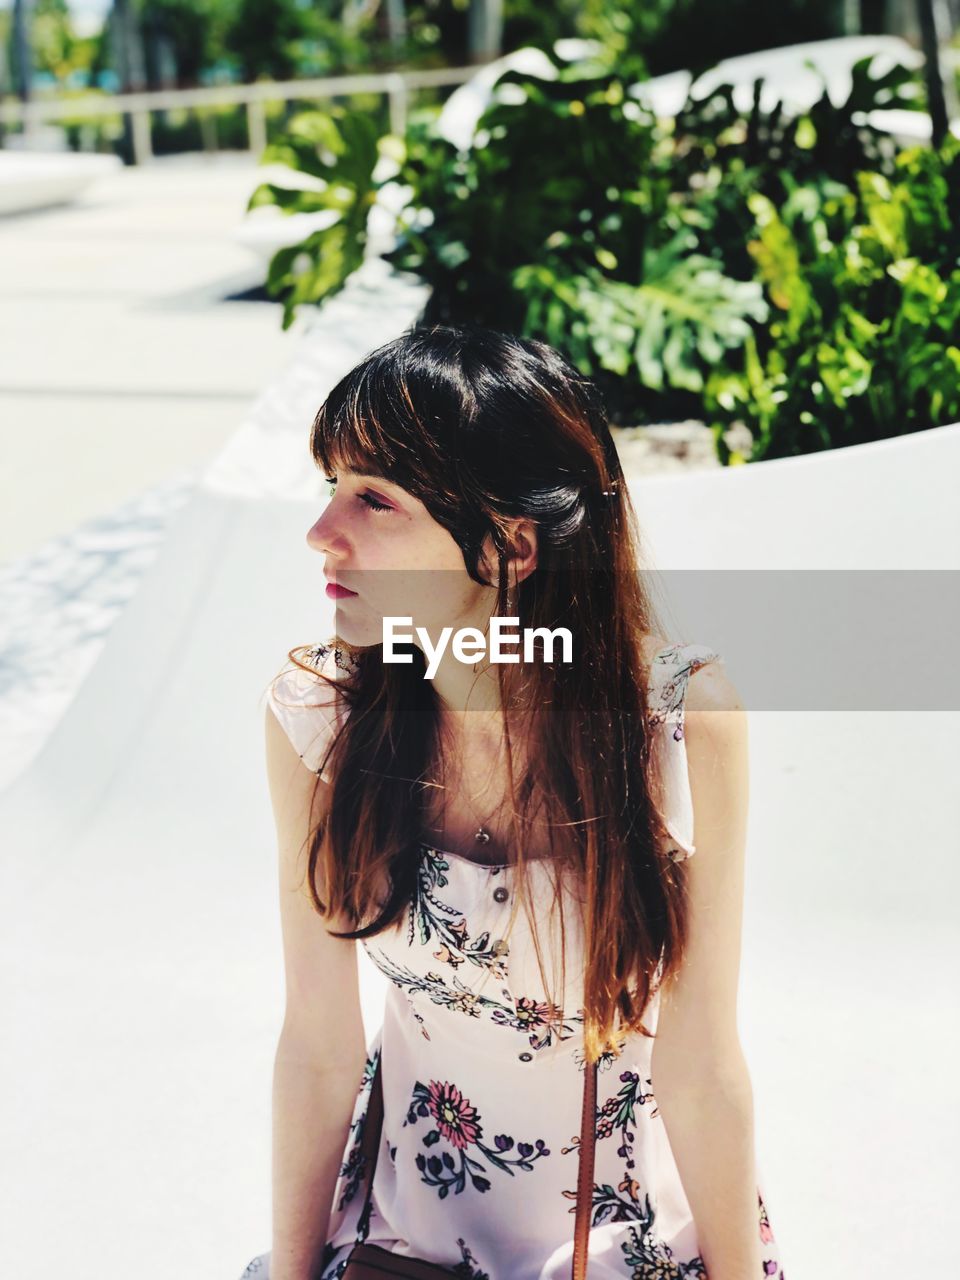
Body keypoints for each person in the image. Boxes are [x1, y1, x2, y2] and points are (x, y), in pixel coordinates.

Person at [239, 325, 786, 1280]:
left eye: (375, 500)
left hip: (623, 1249)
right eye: (330, 487)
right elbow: (320, 1048)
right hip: (398, 1244)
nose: (323, 532)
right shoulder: (319, 721)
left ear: (511, 546)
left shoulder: (678, 730)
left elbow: (700, 1071)